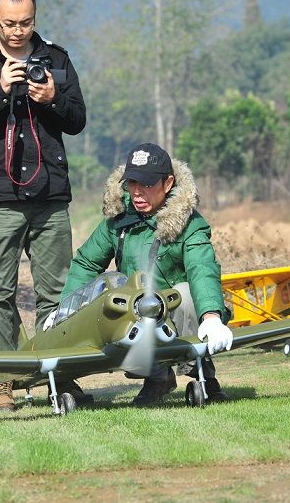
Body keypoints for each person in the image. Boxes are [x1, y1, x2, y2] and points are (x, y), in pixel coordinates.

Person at [0, 0, 87, 412]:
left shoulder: (57, 58)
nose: (17, 31)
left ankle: (59, 377)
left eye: (26, 22)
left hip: (50, 193)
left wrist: (52, 98)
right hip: (0, 196)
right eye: (9, 23)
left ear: (35, 17)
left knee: (58, 293)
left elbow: (78, 119)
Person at [59, 143, 233, 406]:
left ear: (168, 183)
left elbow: (202, 269)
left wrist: (211, 316)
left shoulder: (191, 224)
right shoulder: (118, 220)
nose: (137, 192)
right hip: (135, 310)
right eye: (131, 183)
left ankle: (204, 375)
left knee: (186, 294)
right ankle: (158, 378)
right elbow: (85, 263)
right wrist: (64, 311)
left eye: (148, 184)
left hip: (174, 308)